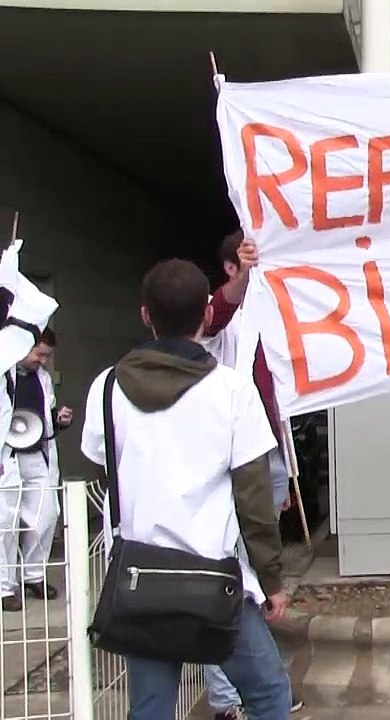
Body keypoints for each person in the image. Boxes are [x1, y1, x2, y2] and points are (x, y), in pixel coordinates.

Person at [79, 258, 291, 720]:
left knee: (152, 710)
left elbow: (102, 469)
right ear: (206, 315)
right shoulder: (233, 392)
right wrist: (271, 580)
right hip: (213, 585)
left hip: (140, 583)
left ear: (145, 315)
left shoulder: (107, 387)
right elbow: (255, 503)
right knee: (269, 694)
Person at [200, 232, 303, 717]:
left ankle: (259, 682)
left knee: (252, 580)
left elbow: (279, 394)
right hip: (234, 459)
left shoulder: (272, 315)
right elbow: (217, 313)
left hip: (268, 457)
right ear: (230, 267)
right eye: (246, 261)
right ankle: (227, 700)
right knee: (231, 581)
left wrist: (286, 470)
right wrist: (245, 275)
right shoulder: (219, 315)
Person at [0, 329, 71, 611]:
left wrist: (59, 420)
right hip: (9, 455)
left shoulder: (41, 378)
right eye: (38, 354)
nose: (42, 361)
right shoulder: (4, 373)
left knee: (46, 515)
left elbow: (43, 416)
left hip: (38, 452)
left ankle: (33, 574)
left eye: (46, 356)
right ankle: (5, 586)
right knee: (6, 522)